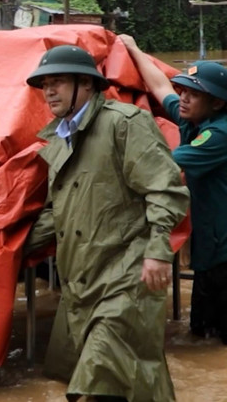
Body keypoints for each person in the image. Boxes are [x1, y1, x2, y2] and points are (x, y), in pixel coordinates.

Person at [23, 45, 189, 401]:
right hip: (81, 280)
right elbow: (60, 212)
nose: (49, 91)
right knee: (122, 381)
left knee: (104, 375)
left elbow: (165, 189)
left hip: (125, 276)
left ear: (86, 84)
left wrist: (159, 251)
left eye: (58, 83)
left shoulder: (124, 123)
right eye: (45, 84)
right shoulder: (58, 137)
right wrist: (11, 247)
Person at [120, 34, 227, 347]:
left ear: (217, 102)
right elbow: (161, 87)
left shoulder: (222, 134)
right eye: (183, 90)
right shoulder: (193, 121)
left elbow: (164, 165)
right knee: (201, 336)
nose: (183, 98)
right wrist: (133, 49)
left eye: (193, 94)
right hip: (211, 249)